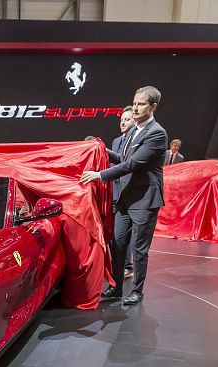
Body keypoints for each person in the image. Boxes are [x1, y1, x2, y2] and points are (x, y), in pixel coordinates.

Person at [80, 85, 167, 306]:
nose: (136, 108)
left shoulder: (156, 133)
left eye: (141, 104)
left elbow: (133, 164)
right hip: (125, 201)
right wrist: (100, 149)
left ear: (153, 106)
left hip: (144, 201)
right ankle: (116, 287)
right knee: (118, 246)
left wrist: (100, 175)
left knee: (139, 249)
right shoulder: (134, 131)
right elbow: (122, 158)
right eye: (135, 103)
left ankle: (137, 291)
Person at [110, 106, 136, 280]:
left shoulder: (138, 140)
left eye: (127, 119)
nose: (123, 123)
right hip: (115, 193)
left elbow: (128, 166)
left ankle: (127, 266)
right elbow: (114, 167)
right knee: (115, 234)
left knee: (127, 235)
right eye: (121, 120)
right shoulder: (116, 141)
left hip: (131, 194)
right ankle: (116, 267)